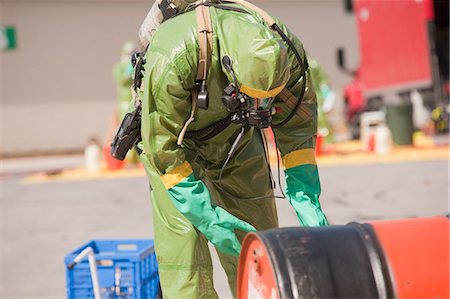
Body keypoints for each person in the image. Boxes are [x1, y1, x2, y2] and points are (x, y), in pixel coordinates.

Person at [135, 1, 328, 297]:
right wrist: (204, 212)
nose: (261, 108)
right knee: (185, 256)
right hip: (175, 144)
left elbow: (297, 128)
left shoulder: (287, 54)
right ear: (229, 69)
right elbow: (162, 147)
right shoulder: (173, 57)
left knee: (256, 241)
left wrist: (306, 198)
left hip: (234, 134)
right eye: (253, 98)